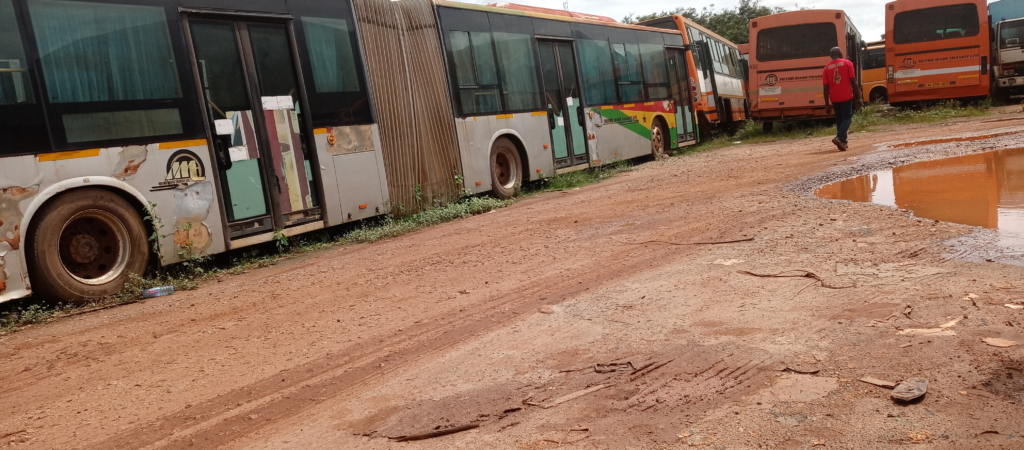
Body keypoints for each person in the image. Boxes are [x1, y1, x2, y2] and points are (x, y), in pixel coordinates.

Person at [822, 47, 862, 151]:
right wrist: (858, 97)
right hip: (846, 96)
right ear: (841, 54)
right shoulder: (848, 63)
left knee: (840, 119)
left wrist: (827, 104)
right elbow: (853, 82)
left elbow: (825, 88)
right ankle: (839, 137)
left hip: (834, 98)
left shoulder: (826, 68)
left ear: (831, 56)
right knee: (847, 118)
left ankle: (843, 141)